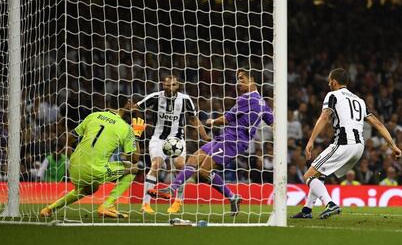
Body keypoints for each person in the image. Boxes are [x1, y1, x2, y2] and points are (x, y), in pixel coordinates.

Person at [148, 69, 273, 216]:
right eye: (238, 79)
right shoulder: (262, 103)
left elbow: (227, 119)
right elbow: (272, 121)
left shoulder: (247, 98)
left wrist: (211, 121)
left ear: (252, 80)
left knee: (203, 171)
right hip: (226, 137)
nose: (238, 82)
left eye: (242, 79)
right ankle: (173, 188)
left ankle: (231, 196)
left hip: (233, 141)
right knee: (193, 158)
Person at [292, 68, 402, 219]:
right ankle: (307, 210)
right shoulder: (359, 100)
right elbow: (378, 124)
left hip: (344, 143)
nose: (328, 83)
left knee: (308, 176)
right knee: (320, 175)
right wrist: (393, 145)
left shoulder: (333, 95)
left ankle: (330, 204)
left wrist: (310, 140)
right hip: (359, 148)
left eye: (329, 80)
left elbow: (324, 118)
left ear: (334, 82)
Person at [39, 95, 145, 218]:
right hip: (94, 170)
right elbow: (134, 159)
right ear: (126, 104)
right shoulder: (125, 127)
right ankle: (107, 205)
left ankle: (49, 209)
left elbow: (71, 137)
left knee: (90, 189)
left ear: (109, 103)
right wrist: (136, 135)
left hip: (73, 166)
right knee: (133, 168)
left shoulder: (93, 116)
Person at [133, 75, 210, 214]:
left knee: (180, 166)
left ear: (178, 86)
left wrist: (205, 136)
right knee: (155, 165)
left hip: (177, 140)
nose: (170, 88)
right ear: (163, 85)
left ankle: (177, 202)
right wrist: (139, 122)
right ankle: (145, 204)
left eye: (173, 85)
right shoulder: (155, 97)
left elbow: (194, 119)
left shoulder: (185, 100)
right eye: (167, 85)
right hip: (158, 138)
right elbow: (135, 107)